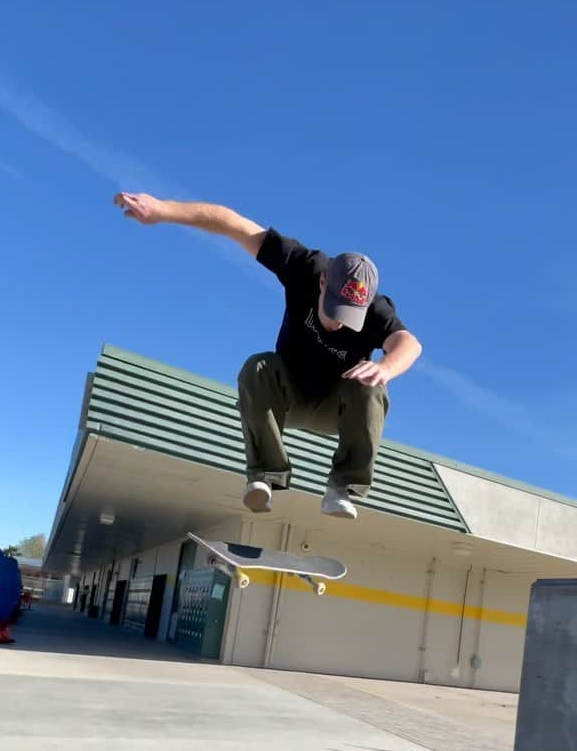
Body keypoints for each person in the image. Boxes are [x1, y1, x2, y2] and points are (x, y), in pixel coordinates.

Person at [113, 192, 422, 519]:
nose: (336, 323)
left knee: (373, 383)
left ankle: (343, 488)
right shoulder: (303, 264)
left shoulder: (377, 310)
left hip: (335, 407)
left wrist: (385, 367)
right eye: (333, 310)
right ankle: (265, 476)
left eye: (348, 316)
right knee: (258, 366)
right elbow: (233, 225)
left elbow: (409, 343)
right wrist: (163, 210)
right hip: (285, 399)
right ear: (321, 281)